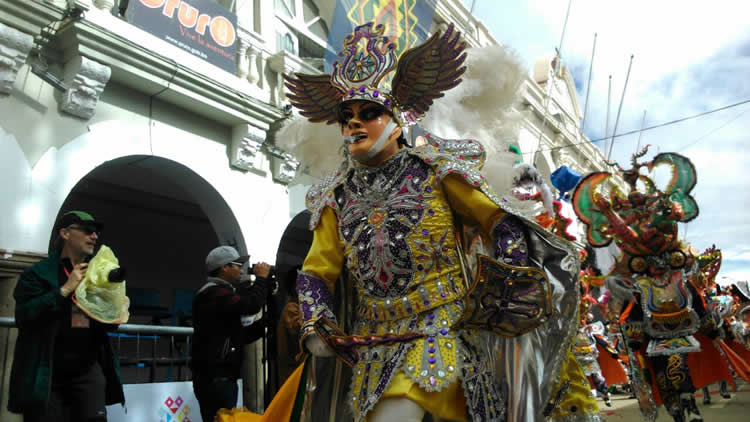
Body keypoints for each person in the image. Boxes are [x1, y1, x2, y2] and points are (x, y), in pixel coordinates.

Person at [282, 22, 598, 422]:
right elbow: (316, 270)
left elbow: (502, 223)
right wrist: (317, 322)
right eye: (347, 117)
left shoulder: (435, 171)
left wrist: (502, 284)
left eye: (369, 113)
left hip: (441, 335)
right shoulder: (335, 197)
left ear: (397, 121)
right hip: (372, 347)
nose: (354, 124)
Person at [8, 210, 125, 421]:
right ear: (65, 233)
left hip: (88, 370)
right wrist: (65, 290)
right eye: (88, 231)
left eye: (97, 232)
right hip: (47, 373)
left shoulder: (96, 275)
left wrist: (114, 309)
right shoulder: (37, 273)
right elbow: (24, 315)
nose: (95, 236)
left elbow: (110, 326)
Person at [191, 246, 272, 422]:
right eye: (238, 265)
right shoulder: (214, 293)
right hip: (216, 378)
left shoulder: (219, 294)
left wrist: (265, 323)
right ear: (224, 267)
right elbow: (250, 306)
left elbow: (239, 336)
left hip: (219, 377)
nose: (241, 269)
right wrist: (260, 280)